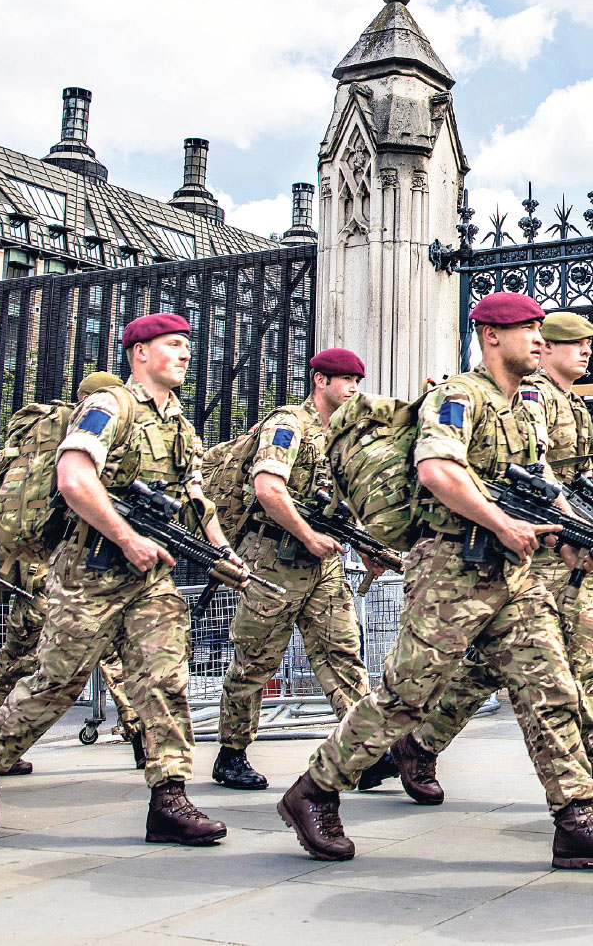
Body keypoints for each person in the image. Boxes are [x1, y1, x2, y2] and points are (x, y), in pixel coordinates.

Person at [277, 292, 593, 869]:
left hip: (512, 574)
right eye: (528, 330)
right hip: (452, 570)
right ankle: (314, 791)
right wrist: (502, 522)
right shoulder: (457, 396)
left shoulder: (526, 406)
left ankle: (576, 818)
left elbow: (543, 483)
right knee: (405, 699)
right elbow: (437, 469)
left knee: (551, 688)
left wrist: (574, 536)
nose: (539, 342)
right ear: (491, 336)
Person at [0, 312, 237, 846]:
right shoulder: (109, 406)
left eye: (185, 346)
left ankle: (169, 798)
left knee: (165, 681)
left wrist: (220, 550)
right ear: (140, 353)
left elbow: (195, 497)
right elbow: (74, 478)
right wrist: (127, 536)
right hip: (91, 573)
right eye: (172, 345)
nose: (183, 354)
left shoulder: (178, 421)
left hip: (149, 578)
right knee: (55, 682)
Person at [398, 311, 593, 803]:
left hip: (557, 538)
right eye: (574, 343)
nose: (586, 351)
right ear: (546, 349)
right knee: (557, 663)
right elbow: (534, 469)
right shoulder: (531, 396)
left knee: (511, 662)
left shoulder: (578, 407)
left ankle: (421, 744)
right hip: (528, 541)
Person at [211, 348, 393, 792]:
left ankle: (362, 752)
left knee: (343, 654)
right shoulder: (288, 424)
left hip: (322, 565)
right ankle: (230, 754)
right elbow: (268, 489)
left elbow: (342, 503)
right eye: (343, 379)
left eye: (357, 380)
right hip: (273, 559)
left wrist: (366, 545)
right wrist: (308, 536)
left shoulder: (346, 436)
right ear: (319, 380)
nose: (352, 387)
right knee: (256, 659)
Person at [0, 371, 145, 772]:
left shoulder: (36, 442)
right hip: (74, 562)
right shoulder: (89, 440)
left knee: (23, 656)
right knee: (106, 657)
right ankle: (145, 738)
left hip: (40, 565)